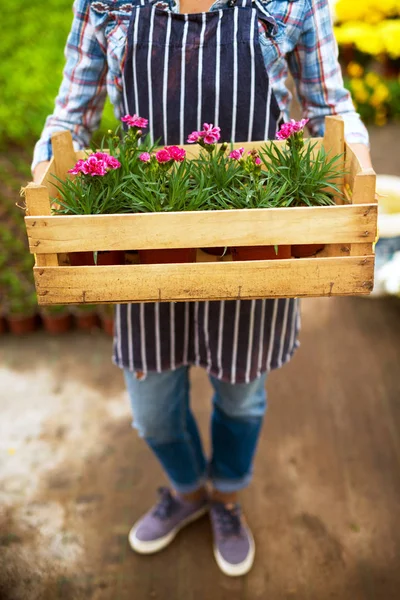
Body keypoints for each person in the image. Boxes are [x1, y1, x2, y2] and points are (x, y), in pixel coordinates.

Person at [32, 0, 372, 577]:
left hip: (255, 240)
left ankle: (228, 496)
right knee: (154, 414)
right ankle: (188, 491)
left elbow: (330, 108)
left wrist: (357, 171)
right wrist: (45, 176)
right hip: (149, 240)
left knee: (241, 397)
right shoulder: (106, 6)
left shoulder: (292, 5)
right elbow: (71, 118)